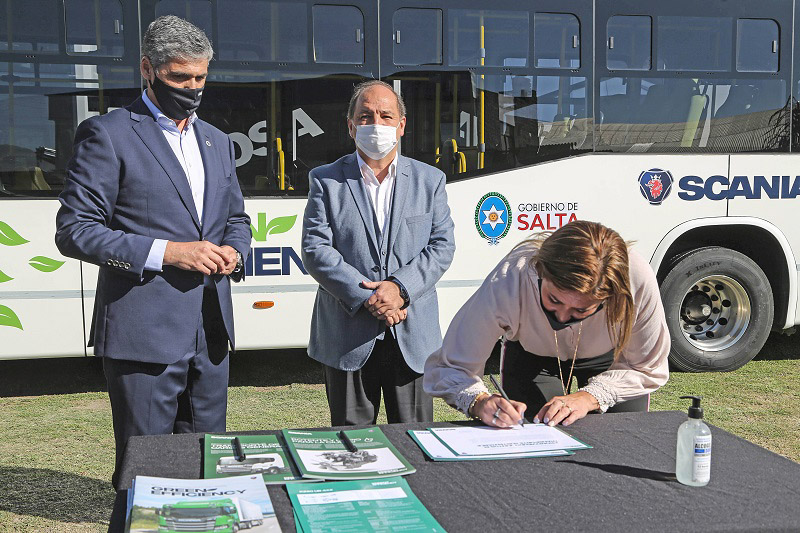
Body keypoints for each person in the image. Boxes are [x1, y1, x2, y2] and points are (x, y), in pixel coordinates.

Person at [55, 16, 251, 488]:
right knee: (145, 473)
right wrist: (168, 252)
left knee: (208, 466)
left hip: (211, 333)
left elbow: (237, 219)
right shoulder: (108, 134)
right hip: (143, 336)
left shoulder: (218, 141)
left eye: (201, 77)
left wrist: (234, 250)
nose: (193, 88)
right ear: (148, 69)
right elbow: (74, 230)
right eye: (180, 77)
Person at [302, 80, 455, 426]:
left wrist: (399, 289)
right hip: (347, 336)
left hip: (411, 334)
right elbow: (315, 249)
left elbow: (442, 246)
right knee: (352, 444)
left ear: (401, 125)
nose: (376, 124)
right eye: (365, 116)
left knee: (416, 438)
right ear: (350, 126)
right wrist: (369, 297)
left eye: (386, 116)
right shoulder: (325, 180)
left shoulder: (430, 180)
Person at [424, 220, 669, 428]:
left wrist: (589, 397)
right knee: (538, 442)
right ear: (540, 271)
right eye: (554, 300)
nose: (561, 318)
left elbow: (647, 367)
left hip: (613, 363)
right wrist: (479, 402)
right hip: (533, 358)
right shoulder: (511, 278)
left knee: (622, 439)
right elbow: (452, 365)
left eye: (581, 310)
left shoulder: (636, 279)